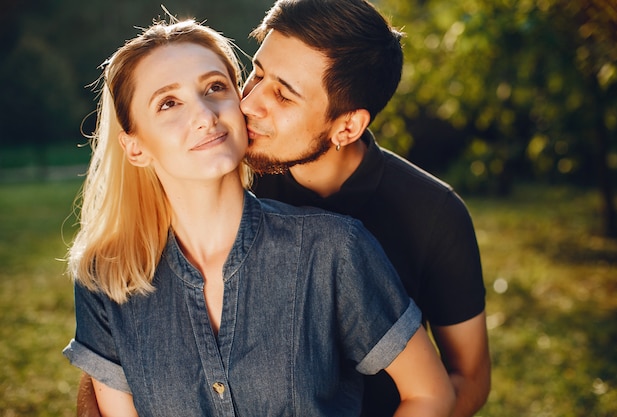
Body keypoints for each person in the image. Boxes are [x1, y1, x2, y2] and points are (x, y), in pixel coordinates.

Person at [63, 18, 455, 416]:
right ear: (135, 148)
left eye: (215, 87)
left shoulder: (335, 250)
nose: (205, 115)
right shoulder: (105, 278)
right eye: (168, 103)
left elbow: (431, 394)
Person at [240, 1, 491, 416]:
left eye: (283, 95)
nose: (249, 103)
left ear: (348, 126)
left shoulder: (434, 214)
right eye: (258, 73)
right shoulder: (227, 178)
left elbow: (470, 376)